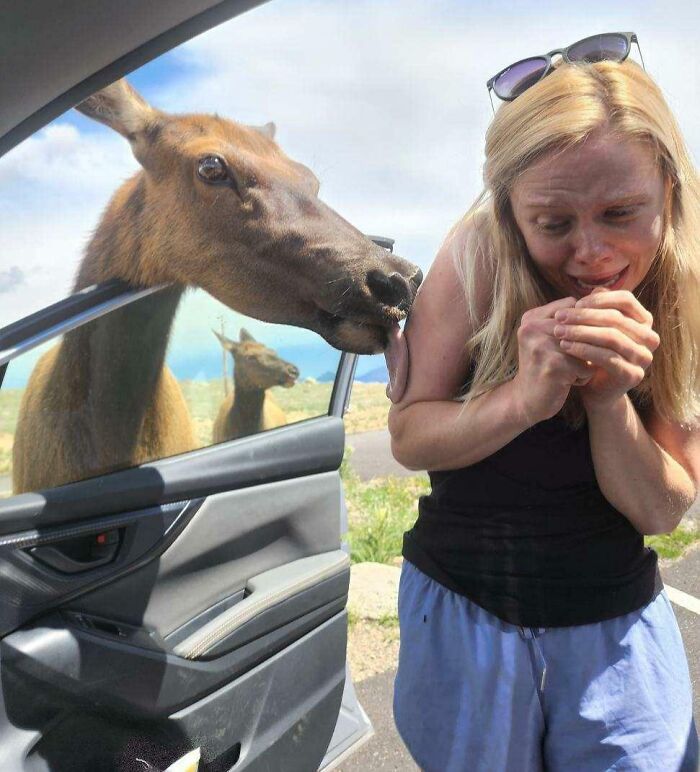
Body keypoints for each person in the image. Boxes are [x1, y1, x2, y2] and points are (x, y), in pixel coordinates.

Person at [385, 35, 700, 772]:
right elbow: (409, 435)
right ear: (510, 212)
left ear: (669, 193)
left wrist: (608, 400)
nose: (592, 253)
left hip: (614, 626)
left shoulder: (683, 291)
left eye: (623, 213)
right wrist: (523, 399)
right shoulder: (476, 257)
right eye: (553, 224)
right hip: (465, 610)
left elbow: (661, 510)